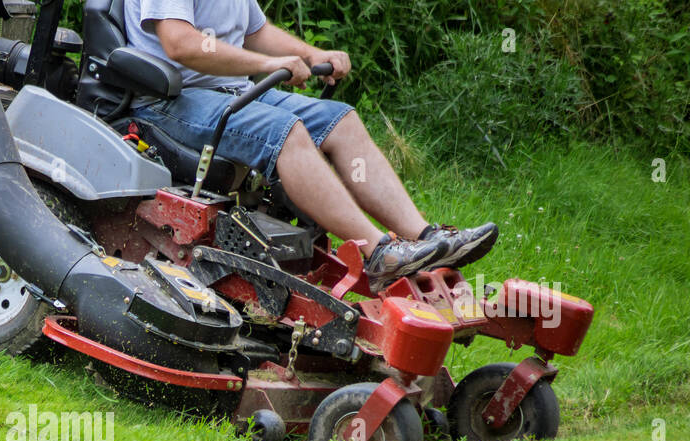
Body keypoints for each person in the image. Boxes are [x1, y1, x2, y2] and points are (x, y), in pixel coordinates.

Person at [124, 0, 498, 291]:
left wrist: (309, 54)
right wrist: (269, 64)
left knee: (341, 121)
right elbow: (181, 42)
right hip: (172, 101)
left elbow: (256, 32)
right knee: (287, 131)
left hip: (229, 91)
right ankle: (380, 253)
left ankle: (425, 241)